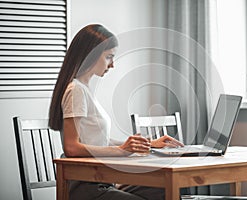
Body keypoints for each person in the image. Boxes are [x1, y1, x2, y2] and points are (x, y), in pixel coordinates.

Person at [48, 24, 183, 200]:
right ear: (91, 55)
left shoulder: (84, 89)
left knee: (163, 190)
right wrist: (121, 150)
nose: (112, 65)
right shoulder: (76, 90)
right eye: (109, 57)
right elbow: (72, 148)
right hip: (86, 186)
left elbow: (98, 140)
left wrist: (146, 145)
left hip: (102, 179)